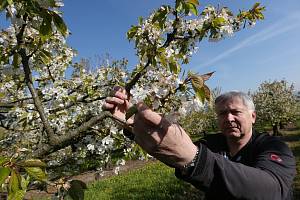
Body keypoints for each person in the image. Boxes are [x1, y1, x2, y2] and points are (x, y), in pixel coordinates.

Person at [103, 88, 296, 200]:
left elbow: (272, 190)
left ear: (253, 117)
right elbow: (172, 151)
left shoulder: (274, 147)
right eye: (222, 114)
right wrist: (133, 125)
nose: (228, 118)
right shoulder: (212, 143)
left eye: (235, 112)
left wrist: (195, 159)